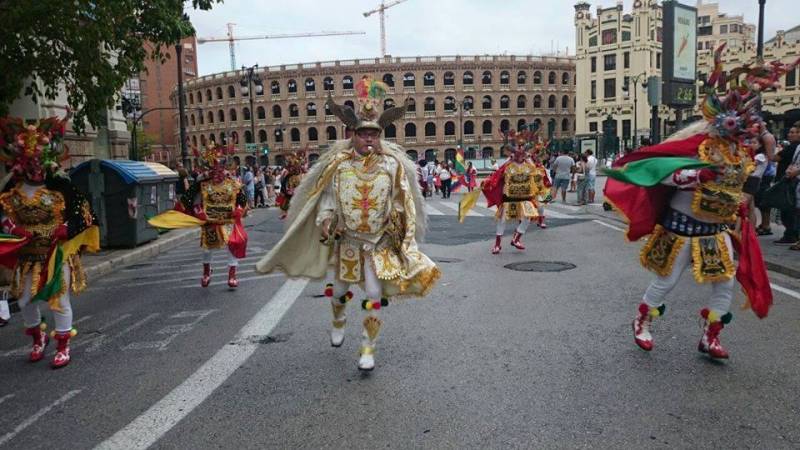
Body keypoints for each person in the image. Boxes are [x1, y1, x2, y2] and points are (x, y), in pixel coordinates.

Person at [603, 44, 781, 360]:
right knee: (665, 282)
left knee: (724, 285)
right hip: (681, 229)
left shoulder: (741, 156)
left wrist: (761, 162)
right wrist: (697, 177)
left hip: (716, 232)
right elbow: (663, 173)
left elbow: (750, 187)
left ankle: (710, 337)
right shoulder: (696, 148)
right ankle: (642, 321)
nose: (744, 128)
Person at [256, 80, 440, 371]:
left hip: (377, 244)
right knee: (340, 290)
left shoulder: (392, 166)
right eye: (363, 133)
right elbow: (327, 200)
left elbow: (401, 199)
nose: (368, 138)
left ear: (380, 136)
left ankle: (368, 347)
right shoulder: (339, 166)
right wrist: (326, 221)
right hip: (348, 244)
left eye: (373, 133)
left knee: (374, 294)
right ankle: (338, 318)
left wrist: (397, 221)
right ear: (352, 135)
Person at [0, 115, 100, 368]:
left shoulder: (61, 187)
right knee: (24, 301)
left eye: (38, 161)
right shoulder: (12, 191)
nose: (35, 167)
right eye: (29, 161)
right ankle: (38, 338)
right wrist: (12, 228)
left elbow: (84, 212)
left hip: (56, 253)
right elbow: (3, 217)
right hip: (27, 255)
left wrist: (67, 228)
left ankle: (63, 346)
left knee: (59, 300)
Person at [151, 143, 248, 289]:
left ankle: (232, 274)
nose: (217, 173)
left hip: (228, 220)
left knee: (232, 245)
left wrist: (239, 210)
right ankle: (207, 272)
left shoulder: (234, 184)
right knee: (207, 248)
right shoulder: (202, 185)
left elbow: (242, 201)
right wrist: (199, 212)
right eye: (214, 169)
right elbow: (194, 201)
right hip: (209, 221)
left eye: (220, 168)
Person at [463, 130, 545, 254]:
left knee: (528, 218)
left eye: (522, 149)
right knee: (502, 220)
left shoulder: (529, 165)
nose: (520, 152)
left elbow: (538, 174)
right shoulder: (508, 165)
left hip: (525, 197)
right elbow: (496, 176)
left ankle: (516, 238)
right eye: (518, 149)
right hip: (509, 197)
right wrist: (487, 183)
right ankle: (497, 245)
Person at [773, 125, 800, 244]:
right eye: (790, 132)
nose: (790, 134)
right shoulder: (797, 147)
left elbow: (775, 158)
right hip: (793, 181)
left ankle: (792, 234)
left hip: (794, 181)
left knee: (790, 210)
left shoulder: (792, 147)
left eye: (793, 132)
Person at [277, 151, 307, 220]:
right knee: (287, 196)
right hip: (291, 182)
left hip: (297, 182)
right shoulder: (290, 166)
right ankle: (285, 212)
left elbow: (303, 170)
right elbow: (287, 171)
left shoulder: (298, 163)